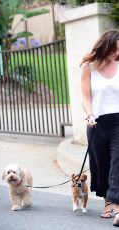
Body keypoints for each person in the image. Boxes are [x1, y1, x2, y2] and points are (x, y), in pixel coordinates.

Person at [80, 29, 119, 227]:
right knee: (101, 165)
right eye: (114, 50)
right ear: (106, 47)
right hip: (97, 123)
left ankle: (118, 206)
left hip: (118, 122)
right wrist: (89, 114)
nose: (116, 54)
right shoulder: (89, 67)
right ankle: (107, 202)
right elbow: (86, 97)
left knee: (117, 164)